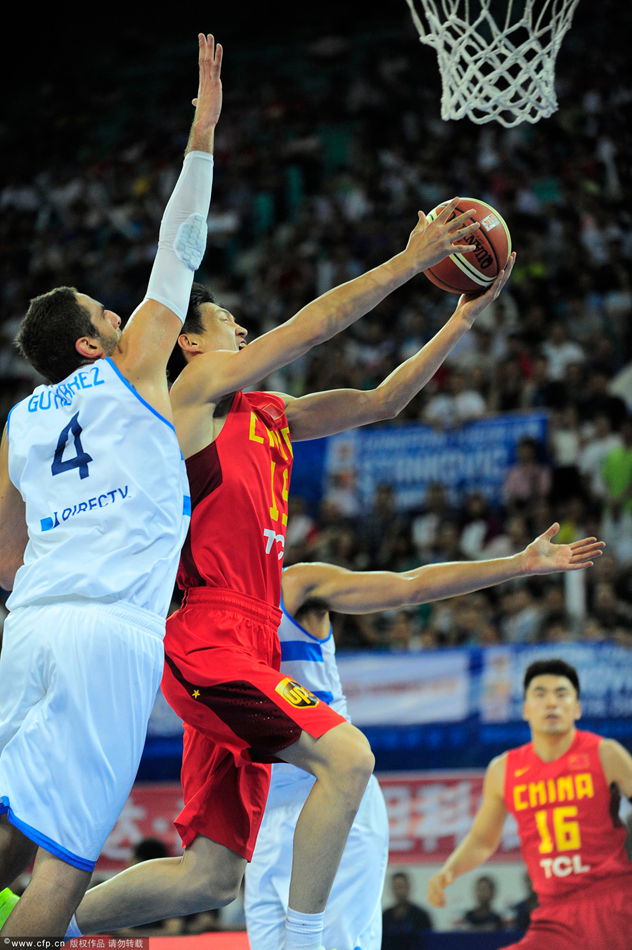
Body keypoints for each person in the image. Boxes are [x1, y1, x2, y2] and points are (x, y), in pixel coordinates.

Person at [62, 230, 514, 946]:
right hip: (204, 636)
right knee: (350, 758)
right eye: (227, 324)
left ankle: (34, 923)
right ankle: (307, 941)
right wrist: (410, 260)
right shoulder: (192, 397)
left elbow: (381, 403)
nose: (242, 328)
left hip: (249, 645)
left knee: (208, 878)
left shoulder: (268, 414)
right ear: (191, 344)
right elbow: (318, 324)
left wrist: (460, 319)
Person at [0, 34, 222, 938]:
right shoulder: (135, 364)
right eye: (106, 310)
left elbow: (7, 558)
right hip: (109, 632)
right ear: (94, 344)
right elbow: (183, 245)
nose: (121, 311)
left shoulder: (16, 424)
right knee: (65, 863)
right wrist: (203, 126)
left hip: (32, 626)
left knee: (12, 832)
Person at [244, 522, 603, 950]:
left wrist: (516, 564)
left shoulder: (295, 586)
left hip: (331, 791)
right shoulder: (195, 621)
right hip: (262, 808)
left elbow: (409, 586)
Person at [427, 658, 632, 950]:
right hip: (553, 912)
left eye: (561, 694)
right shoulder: (503, 769)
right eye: (540, 694)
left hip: (613, 902)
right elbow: (483, 840)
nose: (551, 702)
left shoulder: (606, 753)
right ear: (525, 710)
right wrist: (450, 870)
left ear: (577, 708)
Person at [382, 871, 433, 950]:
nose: (399, 891)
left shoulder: (421, 915)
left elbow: (428, 942)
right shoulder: (385, 916)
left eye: (401, 886)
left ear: (408, 887)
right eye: (396, 887)